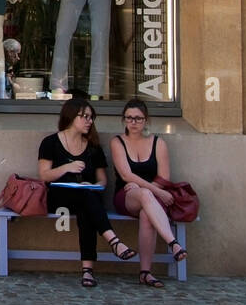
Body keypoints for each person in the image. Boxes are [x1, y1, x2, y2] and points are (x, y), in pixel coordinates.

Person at [38, 97, 136, 287]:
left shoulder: (93, 147)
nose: (89, 121)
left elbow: (103, 180)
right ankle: (114, 242)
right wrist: (68, 167)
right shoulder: (50, 142)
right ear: (71, 117)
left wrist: (94, 186)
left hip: (86, 198)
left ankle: (88, 272)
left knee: (87, 205)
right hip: (59, 199)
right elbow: (44, 176)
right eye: (85, 117)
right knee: (87, 199)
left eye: (91, 117)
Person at [110, 98, 188, 287]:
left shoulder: (158, 143)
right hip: (127, 196)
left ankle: (145, 272)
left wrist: (147, 189)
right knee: (145, 196)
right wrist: (153, 191)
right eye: (129, 118)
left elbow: (163, 178)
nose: (133, 122)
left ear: (146, 120)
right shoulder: (117, 142)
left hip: (152, 198)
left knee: (147, 213)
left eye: (138, 118)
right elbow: (125, 174)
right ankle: (173, 243)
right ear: (124, 120)